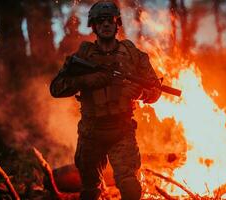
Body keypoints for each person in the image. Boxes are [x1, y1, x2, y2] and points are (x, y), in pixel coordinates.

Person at [50, 1, 161, 199]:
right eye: (100, 21)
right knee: (90, 190)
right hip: (91, 133)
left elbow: (156, 91)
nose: (106, 24)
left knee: (130, 186)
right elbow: (56, 88)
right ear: (93, 26)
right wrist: (86, 80)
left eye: (110, 20)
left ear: (117, 23)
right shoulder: (83, 56)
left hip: (122, 131)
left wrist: (141, 94)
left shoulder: (132, 54)